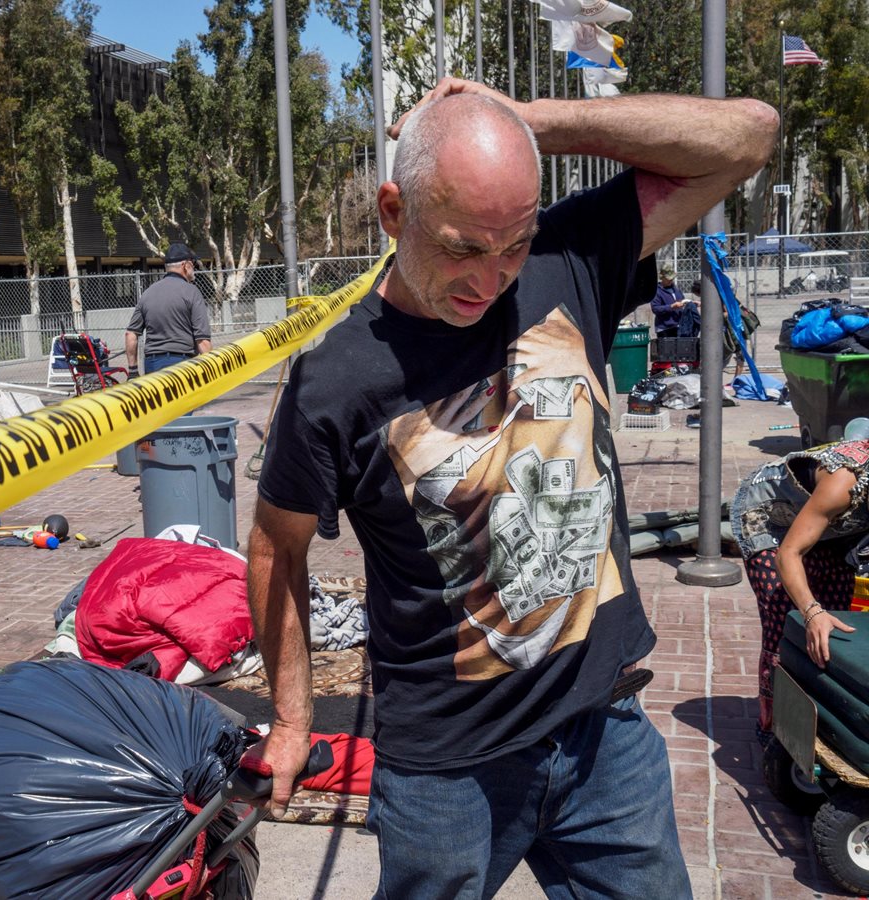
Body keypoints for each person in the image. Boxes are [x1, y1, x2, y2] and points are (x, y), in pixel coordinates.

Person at [247, 80, 776, 898]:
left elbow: (748, 136)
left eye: (512, 245)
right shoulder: (336, 380)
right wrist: (290, 720)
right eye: (462, 247)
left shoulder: (568, 259)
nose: (489, 280)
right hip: (450, 774)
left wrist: (528, 124)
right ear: (395, 212)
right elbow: (276, 548)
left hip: (604, 732)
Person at [731, 439, 867, 748]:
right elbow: (788, 554)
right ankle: (774, 727)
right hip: (772, 521)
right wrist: (812, 611)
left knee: (834, 632)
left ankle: (821, 718)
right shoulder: (843, 482)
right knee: (788, 624)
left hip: (833, 528)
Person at [124, 242, 212, 375]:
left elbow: (130, 334)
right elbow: (202, 340)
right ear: (185, 265)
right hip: (182, 365)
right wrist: (213, 370)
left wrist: (133, 372)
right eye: (192, 263)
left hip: (152, 365)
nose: (193, 267)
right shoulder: (192, 292)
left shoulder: (148, 293)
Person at [651, 263, 692, 337]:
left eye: (672, 278)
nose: (671, 280)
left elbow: (682, 300)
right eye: (668, 279)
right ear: (662, 277)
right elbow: (655, 309)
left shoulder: (675, 289)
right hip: (665, 328)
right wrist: (671, 306)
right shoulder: (657, 291)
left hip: (678, 326)